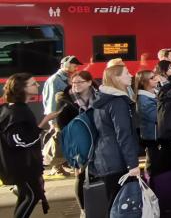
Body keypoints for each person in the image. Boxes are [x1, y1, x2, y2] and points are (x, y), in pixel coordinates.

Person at [0, 73, 57, 218]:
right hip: (22, 166)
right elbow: (18, 140)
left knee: (26, 195)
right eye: (33, 84)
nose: (37, 85)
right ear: (21, 89)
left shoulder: (10, 108)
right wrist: (42, 125)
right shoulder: (18, 111)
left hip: (19, 164)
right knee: (33, 196)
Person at [90, 63, 140, 213]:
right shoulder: (118, 102)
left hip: (106, 157)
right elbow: (123, 134)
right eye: (126, 73)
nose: (131, 75)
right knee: (120, 206)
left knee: (113, 202)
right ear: (115, 78)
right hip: (117, 158)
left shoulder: (101, 99)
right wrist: (132, 164)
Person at [55, 71, 98, 214]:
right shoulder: (65, 102)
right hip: (78, 145)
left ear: (89, 82)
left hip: (98, 141)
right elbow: (62, 126)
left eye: (80, 82)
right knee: (80, 175)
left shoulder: (99, 98)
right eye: (74, 83)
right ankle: (84, 209)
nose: (76, 85)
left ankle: (97, 205)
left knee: (96, 174)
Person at [42, 55, 82, 176]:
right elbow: (51, 102)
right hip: (59, 117)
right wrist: (53, 120)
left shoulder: (66, 78)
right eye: (74, 65)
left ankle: (62, 163)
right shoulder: (55, 80)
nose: (75, 68)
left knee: (63, 140)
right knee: (57, 141)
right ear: (65, 65)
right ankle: (56, 166)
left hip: (65, 116)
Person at [134, 70, 160, 176]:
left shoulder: (155, 93)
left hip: (156, 136)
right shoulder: (143, 100)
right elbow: (157, 117)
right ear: (143, 82)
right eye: (152, 78)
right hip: (152, 137)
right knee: (153, 165)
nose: (156, 79)